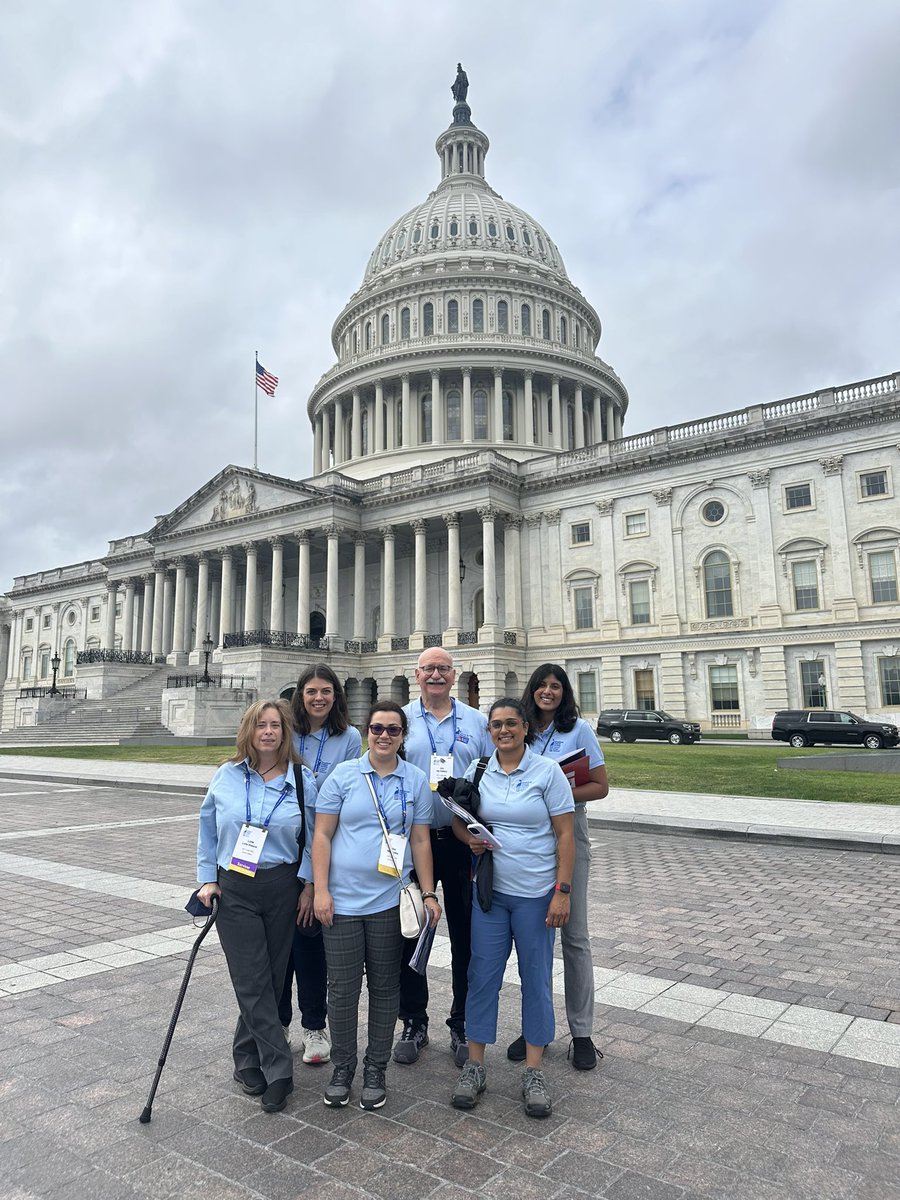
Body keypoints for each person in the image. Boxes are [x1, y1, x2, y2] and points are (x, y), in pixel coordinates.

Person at [313, 701, 441, 1111]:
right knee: (342, 989)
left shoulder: (414, 779)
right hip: (343, 901)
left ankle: (375, 1068)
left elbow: (420, 840)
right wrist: (320, 890)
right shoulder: (344, 775)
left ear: (403, 736)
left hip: (390, 901)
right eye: (377, 728)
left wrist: (428, 892)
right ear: (366, 732)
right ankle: (342, 1067)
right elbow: (322, 836)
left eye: (393, 730)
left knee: (386, 989)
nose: (384, 736)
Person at [450, 697, 574, 1119]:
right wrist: (469, 839)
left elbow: (565, 835)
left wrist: (562, 891)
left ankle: (534, 1070)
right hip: (490, 894)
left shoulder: (547, 772)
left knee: (535, 979)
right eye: (496, 725)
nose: (504, 730)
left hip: (536, 894)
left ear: (525, 728)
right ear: (489, 731)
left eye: (511, 724)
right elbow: (459, 819)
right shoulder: (478, 769)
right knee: (481, 977)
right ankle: (475, 1064)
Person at [196, 699, 316, 1114]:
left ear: (285, 732)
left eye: (275, 725)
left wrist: (308, 884)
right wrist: (207, 878)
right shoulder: (227, 775)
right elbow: (208, 828)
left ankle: (245, 1057)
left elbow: (314, 837)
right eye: (260, 725)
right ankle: (279, 1068)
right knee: (251, 979)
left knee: (273, 978)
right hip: (234, 888)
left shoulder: (302, 778)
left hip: (282, 885)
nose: (268, 732)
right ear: (248, 730)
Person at [507, 663, 609, 1070]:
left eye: (556, 686)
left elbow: (600, 786)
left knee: (575, 936)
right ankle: (537, 1028)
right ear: (531, 689)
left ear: (564, 693)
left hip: (569, 830)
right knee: (535, 940)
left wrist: (556, 790)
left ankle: (582, 1032)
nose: (548, 692)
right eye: (542, 685)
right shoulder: (522, 729)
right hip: (528, 839)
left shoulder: (577, 730)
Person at [393, 649, 492, 1067]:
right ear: (416, 675)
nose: (436, 674)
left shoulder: (476, 721)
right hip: (414, 838)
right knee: (410, 928)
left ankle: (462, 1022)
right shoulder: (400, 719)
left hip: (461, 839)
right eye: (429, 668)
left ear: (454, 676)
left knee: (467, 933)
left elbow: (492, 771)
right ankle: (414, 1021)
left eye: (443, 668)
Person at [279, 665, 362, 1067]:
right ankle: (278, 1022)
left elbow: (341, 798)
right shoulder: (285, 731)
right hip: (283, 845)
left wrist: (313, 881)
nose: (319, 698)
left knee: (310, 941)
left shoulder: (349, 738)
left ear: (336, 696)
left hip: (324, 845)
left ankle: (314, 1024)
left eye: (326, 691)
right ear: (300, 695)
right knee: (278, 946)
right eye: (311, 691)